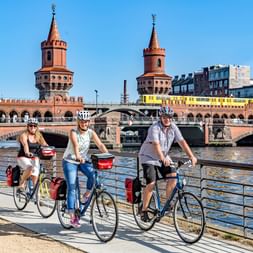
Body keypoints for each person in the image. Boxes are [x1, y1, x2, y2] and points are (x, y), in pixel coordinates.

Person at [138, 105, 197, 222]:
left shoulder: (173, 128)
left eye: (169, 117)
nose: (167, 119)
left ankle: (167, 203)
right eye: (165, 117)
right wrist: (162, 158)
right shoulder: (154, 128)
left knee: (173, 176)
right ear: (160, 117)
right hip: (148, 157)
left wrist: (192, 156)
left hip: (163, 157)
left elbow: (182, 142)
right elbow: (156, 145)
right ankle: (144, 210)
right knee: (151, 182)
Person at [62, 110, 108, 228]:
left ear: (89, 122)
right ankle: (72, 215)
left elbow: (100, 145)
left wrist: (108, 154)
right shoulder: (73, 132)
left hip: (83, 160)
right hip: (70, 161)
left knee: (93, 175)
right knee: (72, 187)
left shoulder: (91, 133)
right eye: (82, 121)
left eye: (86, 121)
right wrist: (77, 156)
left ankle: (86, 195)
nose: (84, 124)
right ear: (78, 122)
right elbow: (76, 145)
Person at [17, 118, 48, 189]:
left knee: (35, 175)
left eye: (34, 126)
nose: (32, 127)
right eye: (31, 126)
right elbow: (25, 145)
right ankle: (21, 183)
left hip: (35, 157)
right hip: (23, 157)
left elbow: (45, 145)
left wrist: (50, 150)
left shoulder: (39, 136)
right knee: (30, 168)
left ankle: (35, 195)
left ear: (37, 127)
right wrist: (27, 152)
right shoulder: (24, 135)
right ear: (27, 126)